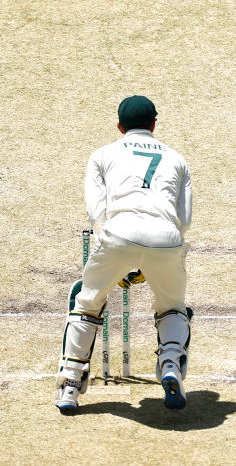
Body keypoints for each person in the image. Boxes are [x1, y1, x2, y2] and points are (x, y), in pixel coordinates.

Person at [56, 95, 193, 414]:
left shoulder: (103, 154)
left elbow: (96, 212)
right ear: (154, 125)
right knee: (172, 306)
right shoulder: (177, 158)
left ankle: (71, 384)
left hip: (118, 233)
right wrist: (149, 260)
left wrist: (118, 260)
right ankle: (171, 365)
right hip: (166, 238)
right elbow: (184, 221)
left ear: (119, 126)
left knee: (86, 300)